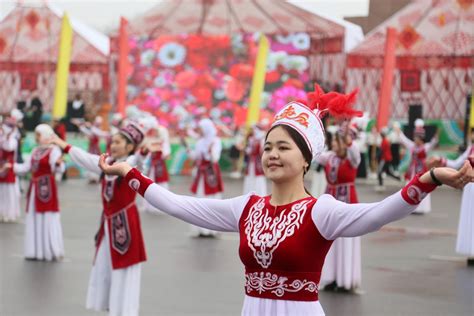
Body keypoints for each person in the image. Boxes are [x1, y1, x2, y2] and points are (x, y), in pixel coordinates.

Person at [98, 85, 474, 316]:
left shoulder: (320, 211)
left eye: (283, 147)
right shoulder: (247, 208)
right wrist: (129, 173)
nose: (272, 155)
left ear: (307, 159)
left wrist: (430, 179)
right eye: (268, 148)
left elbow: (378, 214)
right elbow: (181, 205)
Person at [50, 122, 147, 316]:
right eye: (113, 141)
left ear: (129, 147)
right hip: (108, 224)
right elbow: (86, 158)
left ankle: (125, 309)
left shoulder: (132, 164)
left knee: (125, 266)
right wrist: (63, 144)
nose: (113, 145)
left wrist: (143, 151)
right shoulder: (108, 163)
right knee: (105, 264)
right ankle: (112, 305)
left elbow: (141, 157)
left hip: (126, 223)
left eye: (118, 142)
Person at [10, 124, 65, 260]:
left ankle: (49, 250)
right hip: (35, 189)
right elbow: (26, 167)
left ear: (46, 135)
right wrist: (11, 166)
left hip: (47, 188)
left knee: (47, 216)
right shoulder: (35, 150)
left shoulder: (54, 150)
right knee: (34, 216)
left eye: (38, 135)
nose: (36, 138)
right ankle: (35, 251)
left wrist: (58, 164)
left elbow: (59, 168)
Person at [317, 126, 362, 292]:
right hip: (330, 201)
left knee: (345, 238)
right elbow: (313, 154)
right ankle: (331, 278)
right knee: (330, 239)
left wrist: (349, 141)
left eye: (337, 141)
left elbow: (355, 152)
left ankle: (345, 280)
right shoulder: (330, 157)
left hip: (347, 201)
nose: (334, 143)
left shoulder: (352, 159)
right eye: (334, 140)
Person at [433, 128, 474, 266]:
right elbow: (456, 163)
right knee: (470, 218)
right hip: (470, 188)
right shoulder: (470, 149)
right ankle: (471, 250)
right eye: (472, 132)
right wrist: (441, 160)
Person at [184, 118, 224, 237]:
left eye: (201, 128)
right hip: (201, 175)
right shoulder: (200, 142)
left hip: (210, 174)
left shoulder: (216, 141)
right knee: (200, 200)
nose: (199, 131)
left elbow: (215, 158)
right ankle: (201, 229)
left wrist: (210, 152)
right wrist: (187, 149)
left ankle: (212, 229)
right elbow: (196, 157)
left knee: (212, 200)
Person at [395, 119, 438, 214]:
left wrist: (436, 136)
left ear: (421, 138)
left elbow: (433, 142)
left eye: (417, 137)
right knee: (410, 185)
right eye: (415, 137)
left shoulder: (425, 147)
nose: (415, 139)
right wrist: (398, 131)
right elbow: (403, 139)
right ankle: (409, 207)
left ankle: (421, 208)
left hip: (421, 169)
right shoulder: (412, 146)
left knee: (422, 186)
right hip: (412, 170)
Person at [0, 110, 22, 222]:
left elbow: (8, 147)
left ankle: (9, 213)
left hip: (9, 167)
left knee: (9, 192)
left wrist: (6, 136)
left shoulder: (13, 139)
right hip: (1, 166)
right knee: (2, 192)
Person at [243, 124, 267, 195]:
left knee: (258, 177)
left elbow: (262, 151)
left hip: (257, 161)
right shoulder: (252, 139)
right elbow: (249, 150)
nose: (253, 131)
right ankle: (249, 193)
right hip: (251, 161)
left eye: (254, 129)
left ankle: (260, 193)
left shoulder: (262, 139)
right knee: (250, 176)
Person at [376, 127, 401, 192]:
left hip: (385, 159)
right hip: (387, 158)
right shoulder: (385, 140)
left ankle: (381, 185)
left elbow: (382, 150)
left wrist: (377, 156)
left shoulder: (384, 141)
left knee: (379, 172)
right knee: (388, 172)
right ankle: (398, 178)